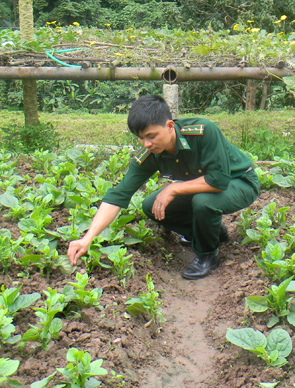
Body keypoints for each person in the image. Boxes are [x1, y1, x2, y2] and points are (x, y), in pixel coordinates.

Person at [66, 94, 260, 280]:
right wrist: (87, 238)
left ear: (169, 126)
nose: (146, 144)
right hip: (205, 186)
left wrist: (172, 189)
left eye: (151, 136)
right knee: (150, 205)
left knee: (203, 201)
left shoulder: (202, 132)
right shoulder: (150, 153)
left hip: (240, 181)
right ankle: (213, 232)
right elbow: (118, 195)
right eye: (140, 138)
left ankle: (208, 255)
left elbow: (218, 181)